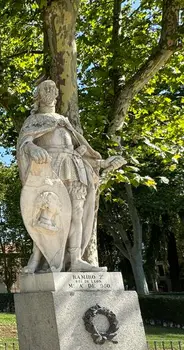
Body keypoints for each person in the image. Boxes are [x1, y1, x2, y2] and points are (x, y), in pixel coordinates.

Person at [17, 80, 125, 273]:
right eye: (45, 88)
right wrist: (32, 148)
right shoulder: (33, 121)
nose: (50, 90)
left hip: (74, 167)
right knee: (45, 214)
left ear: (57, 94)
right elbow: (24, 143)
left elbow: (82, 151)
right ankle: (37, 258)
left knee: (77, 213)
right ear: (38, 96)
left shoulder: (64, 121)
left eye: (53, 88)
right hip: (50, 168)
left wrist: (105, 163)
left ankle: (75, 259)